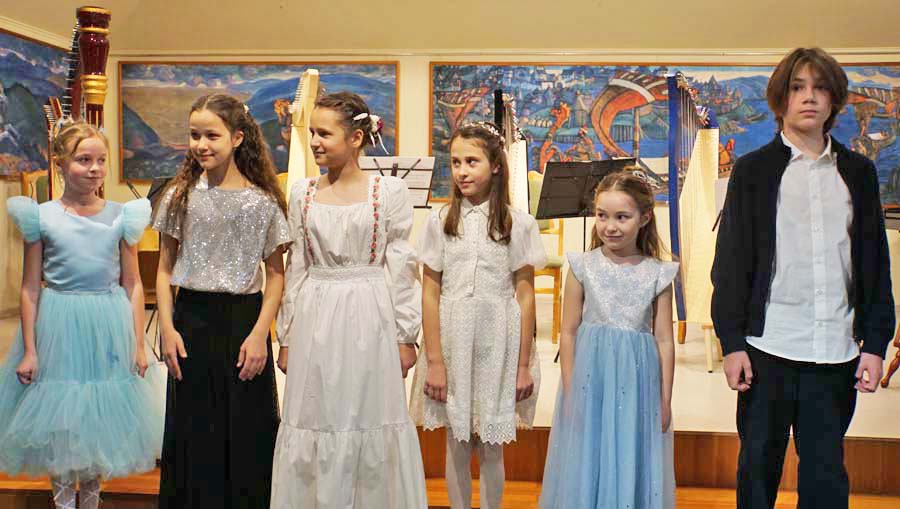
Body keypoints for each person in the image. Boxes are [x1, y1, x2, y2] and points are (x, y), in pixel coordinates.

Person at [711, 47, 895, 509]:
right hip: (767, 348)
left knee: (825, 480)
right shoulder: (752, 172)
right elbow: (730, 265)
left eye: (819, 88)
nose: (808, 97)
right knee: (757, 474)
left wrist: (875, 344)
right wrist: (731, 342)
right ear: (781, 99)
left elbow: (875, 265)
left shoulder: (859, 173)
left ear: (834, 100)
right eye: (797, 88)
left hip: (834, 351)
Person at [271, 91, 427, 508]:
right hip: (316, 315)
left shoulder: (387, 191)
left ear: (356, 137)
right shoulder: (302, 193)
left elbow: (401, 265)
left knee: (367, 414)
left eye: (324, 133)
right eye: (312, 133)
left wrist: (405, 335)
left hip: (368, 314)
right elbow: (297, 266)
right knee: (316, 414)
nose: (315, 142)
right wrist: (287, 337)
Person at [0, 120, 162, 509]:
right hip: (59, 323)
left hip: (108, 324)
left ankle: (90, 500)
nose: (94, 169)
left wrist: (139, 344)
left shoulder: (122, 216)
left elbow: (133, 283)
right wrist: (31, 350)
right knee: (61, 416)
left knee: (97, 417)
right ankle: (62, 502)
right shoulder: (41, 217)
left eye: (101, 160)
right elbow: (30, 287)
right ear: (60, 162)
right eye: (84, 160)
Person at [153, 94, 290, 509]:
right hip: (191, 319)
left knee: (246, 432)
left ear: (238, 138)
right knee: (194, 433)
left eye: (212, 135)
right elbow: (164, 268)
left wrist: (260, 335)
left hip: (243, 323)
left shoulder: (262, 202)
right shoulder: (179, 195)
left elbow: (276, 275)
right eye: (194, 135)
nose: (201, 144)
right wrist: (167, 328)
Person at [409, 122, 545, 509]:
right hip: (452, 340)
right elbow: (430, 292)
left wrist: (522, 365)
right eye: (455, 162)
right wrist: (435, 360)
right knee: (456, 441)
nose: (462, 171)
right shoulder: (441, 221)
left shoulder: (518, 224)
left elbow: (525, 295)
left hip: (498, 340)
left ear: (496, 165)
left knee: (490, 444)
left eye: (472, 161)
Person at [539, 169, 676, 509]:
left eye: (621, 217)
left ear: (645, 218)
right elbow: (568, 331)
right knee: (588, 456)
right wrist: (570, 389)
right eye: (602, 215)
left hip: (636, 383)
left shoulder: (658, 273)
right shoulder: (582, 267)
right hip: (590, 380)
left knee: (629, 453)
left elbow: (664, 340)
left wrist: (664, 400)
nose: (610, 226)